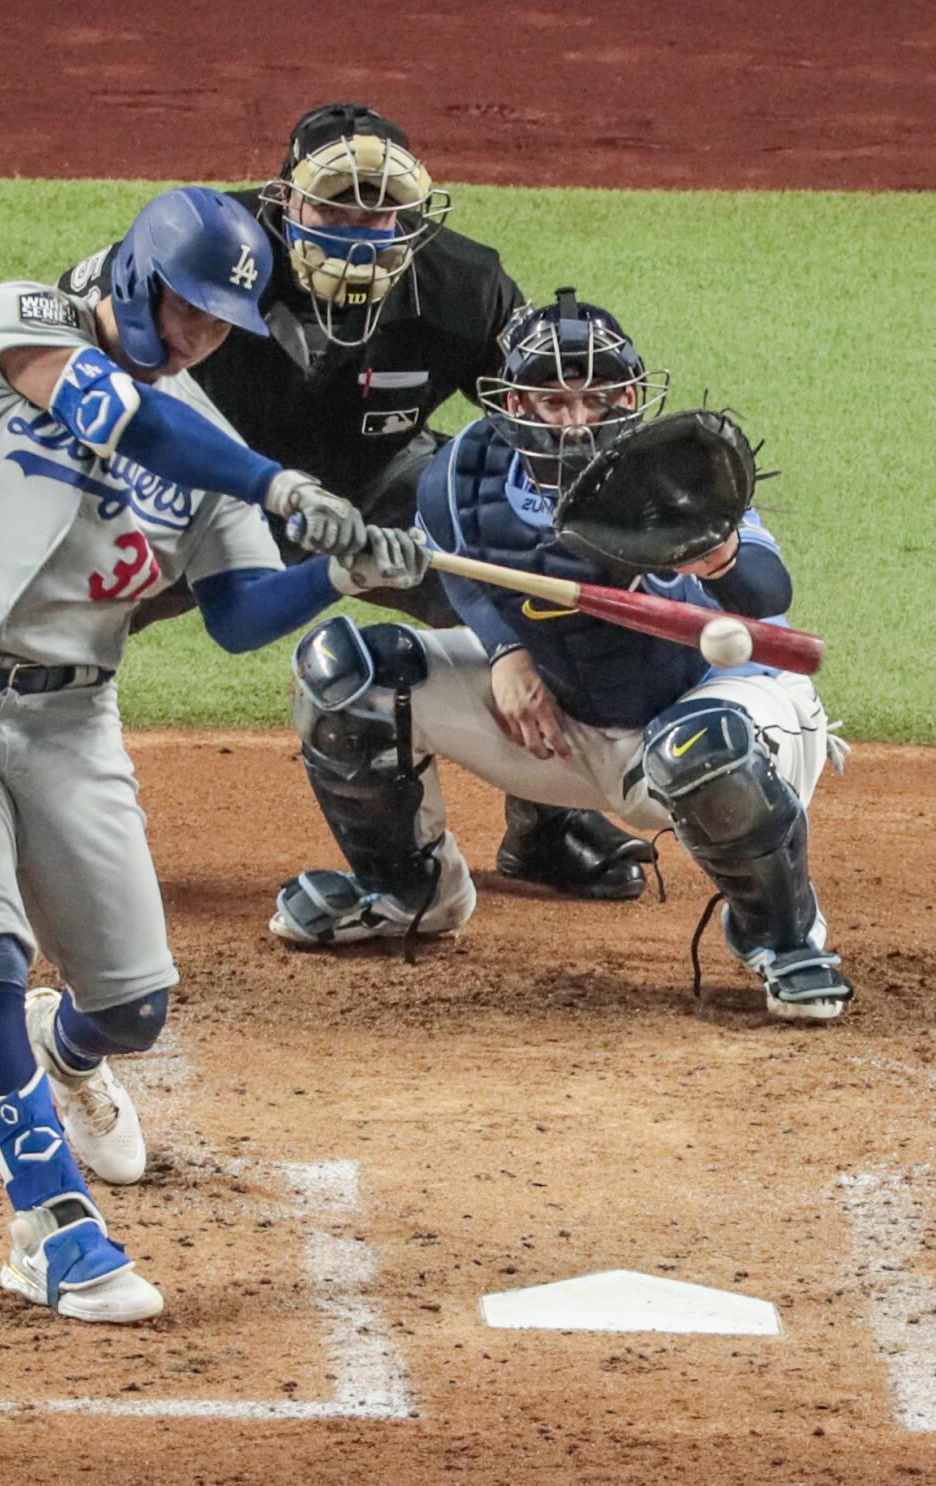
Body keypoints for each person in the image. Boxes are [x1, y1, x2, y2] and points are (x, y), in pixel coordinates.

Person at [0, 185, 429, 1325]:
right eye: (188, 307)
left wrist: (338, 575)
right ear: (132, 277)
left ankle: (66, 1056)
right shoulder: (16, 322)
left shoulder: (204, 439)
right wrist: (272, 479)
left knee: (135, 1005)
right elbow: (120, 416)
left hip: (68, 720)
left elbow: (239, 613)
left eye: (222, 322)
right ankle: (50, 1228)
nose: (201, 335)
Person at [59, 101, 653, 902]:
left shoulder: (460, 286)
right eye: (333, 203)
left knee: (526, 574)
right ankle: (28, 804)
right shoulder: (211, 244)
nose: (358, 228)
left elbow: (538, 411)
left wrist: (613, 502)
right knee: (59, 614)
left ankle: (544, 823)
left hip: (376, 490)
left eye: (381, 211)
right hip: (195, 491)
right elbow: (78, 339)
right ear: (284, 199)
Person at [268, 289, 854, 1024]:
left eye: (598, 397)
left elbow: (767, 594)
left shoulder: (676, 474)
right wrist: (507, 651)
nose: (576, 419)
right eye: (551, 400)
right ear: (510, 400)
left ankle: (784, 939)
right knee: (348, 678)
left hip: (713, 711)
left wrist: (720, 553)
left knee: (701, 748)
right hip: (564, 727)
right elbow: (459, 564)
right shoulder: (462, 474)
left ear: (632, 398)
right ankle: (407, 892)